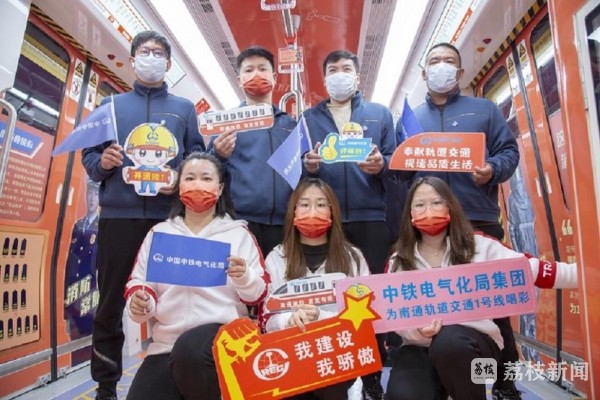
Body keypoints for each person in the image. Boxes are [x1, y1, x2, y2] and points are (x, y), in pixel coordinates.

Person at [81, 30, 206, 400]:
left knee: (178, 298)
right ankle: (106, 386)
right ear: (133, 59)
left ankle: (180, 374)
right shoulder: (110, 106)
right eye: (144, 52)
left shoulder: (184, 109)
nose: (151, 57)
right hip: (119, 218)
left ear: (168, 63)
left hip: (169, 219)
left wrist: (179, 178)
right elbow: (89, 159)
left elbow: (196, 158)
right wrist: (103, 163)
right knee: (110, 303)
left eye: (158, 53)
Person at [396, 42, 521, 399]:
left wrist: (492, 169)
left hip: (477, 219)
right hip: (429, 229)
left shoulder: (484, 109)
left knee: (495, 306)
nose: (442, 66)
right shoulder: (410, 119)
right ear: (424, 74)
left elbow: (508, 152)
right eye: (434, 61)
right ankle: (453, 374)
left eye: (449, 61)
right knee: (439, 304)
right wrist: (394, 167)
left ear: (460, 72)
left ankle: (503, 383)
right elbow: (400, 171)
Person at [384, 176, 578, 400]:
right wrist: (418, 331)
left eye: (437, 202)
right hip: (420, 348)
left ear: (451, 206)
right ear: (409, 213)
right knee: (404, 394)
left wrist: (587, 275)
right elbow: (394, 316)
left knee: (451, 344)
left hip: (478, 354)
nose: (428, 210)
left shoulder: (479, 246)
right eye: (419, 204)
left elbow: (533, 270)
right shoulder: (399, 260)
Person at [125, 152, 267, 400]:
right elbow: (140, 283)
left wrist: (244, 276)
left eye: (206, 178)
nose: (198, 185)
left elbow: (258, 295)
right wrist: (141, 302)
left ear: (220, 188)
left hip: (222, 343)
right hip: (166, 345)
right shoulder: (160, 233)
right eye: (190, 178)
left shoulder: (239, 235)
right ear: (179, 185)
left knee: (191, 351)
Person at [302, 49, 396, 399]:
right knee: (331, 295)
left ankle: (372, 376)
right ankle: (334, 370)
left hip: (371, 216)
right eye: (332, 69)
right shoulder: (308, 118)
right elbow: (296, 165)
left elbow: (396, 160)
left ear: (358, 77)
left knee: (370, 299)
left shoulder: (379, 114)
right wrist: (308, 166)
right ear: (324, 78)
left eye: (346, 69)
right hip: (327, 218)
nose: (339, 74)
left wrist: (382, 164)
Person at [260, 177, 369, 400]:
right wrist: (288, 320)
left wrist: (321, 317)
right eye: (304, 204)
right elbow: (266, 318)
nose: (312, 212)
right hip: (291, 354)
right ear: (293, 212)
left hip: (337, 353)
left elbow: (366, 316)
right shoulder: (277, 257)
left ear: (332, 212)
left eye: (321, 204)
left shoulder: (353, 257)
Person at [210, 46, 297, 257]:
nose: (256, 75)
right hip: (240, 222)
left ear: (274, 77)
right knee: (243, 275)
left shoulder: (290, 125)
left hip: (285, 224)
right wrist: (218, 155)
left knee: (279, 275)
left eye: (262, 69)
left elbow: (299, 169)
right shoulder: (226, 123)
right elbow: (208, 171)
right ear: (239, 80)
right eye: (249, 70)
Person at [63, 177, 100, 365]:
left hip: (93, 290)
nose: (92, 198)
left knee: (90, 335)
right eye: (90, 193)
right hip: (74, 289)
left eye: (96, 194)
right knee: (75, 332)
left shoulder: (103, 226)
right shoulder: (77, 225)